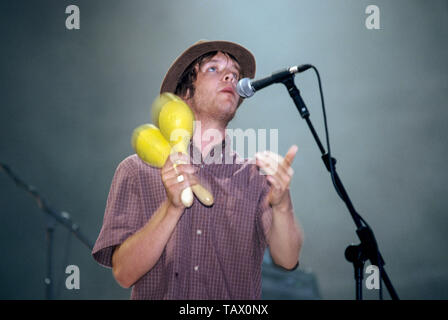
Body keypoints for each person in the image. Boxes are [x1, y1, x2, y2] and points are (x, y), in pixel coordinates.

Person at [92, 40, 304, 299]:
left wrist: (283, 205)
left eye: (235, 74)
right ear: (184, 95)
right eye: (213, 69)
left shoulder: (256, 176)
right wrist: (171, 208)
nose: (230, 76)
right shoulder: (136, 170)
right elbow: (124, 273)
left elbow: (288, 259)